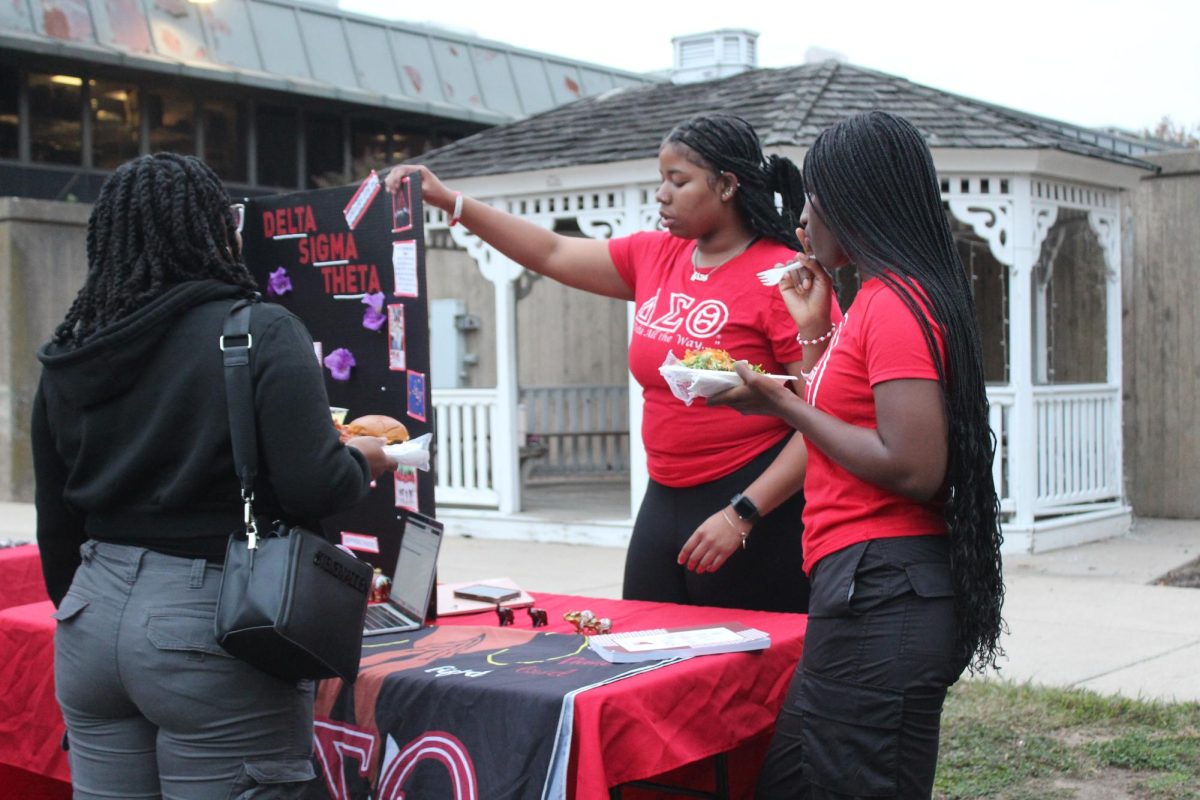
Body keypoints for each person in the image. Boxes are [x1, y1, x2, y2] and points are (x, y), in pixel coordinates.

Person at [32, 153, 396, 797]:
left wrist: (90, 609)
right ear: (212, 229)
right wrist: (364, 459)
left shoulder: (73, 349)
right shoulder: (259, 330)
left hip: (91, 620)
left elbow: (55, 517)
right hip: (214, 620)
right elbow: (316, 484)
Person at [387, 113, 822, 612]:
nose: (662, 194)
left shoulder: (781, 278)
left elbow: (821, 418)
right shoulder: (656, 255)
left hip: (753, 497)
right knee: (645, 650)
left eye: (677, 181)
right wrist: (452, 201)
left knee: (749, 670)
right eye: (661, 179)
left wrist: (744, 512)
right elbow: (551, 251)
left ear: (726, 186)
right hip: (664, 494)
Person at [708, 111, 1005, 798]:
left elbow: (911, 464)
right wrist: (813, 334)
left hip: (885, 593)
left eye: (814, 199)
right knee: (789, 781)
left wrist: (782, 403)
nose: (803, 221)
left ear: (854, 201)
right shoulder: (876, 299)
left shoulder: (897, 304)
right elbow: (844, 418)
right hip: (864, 589)